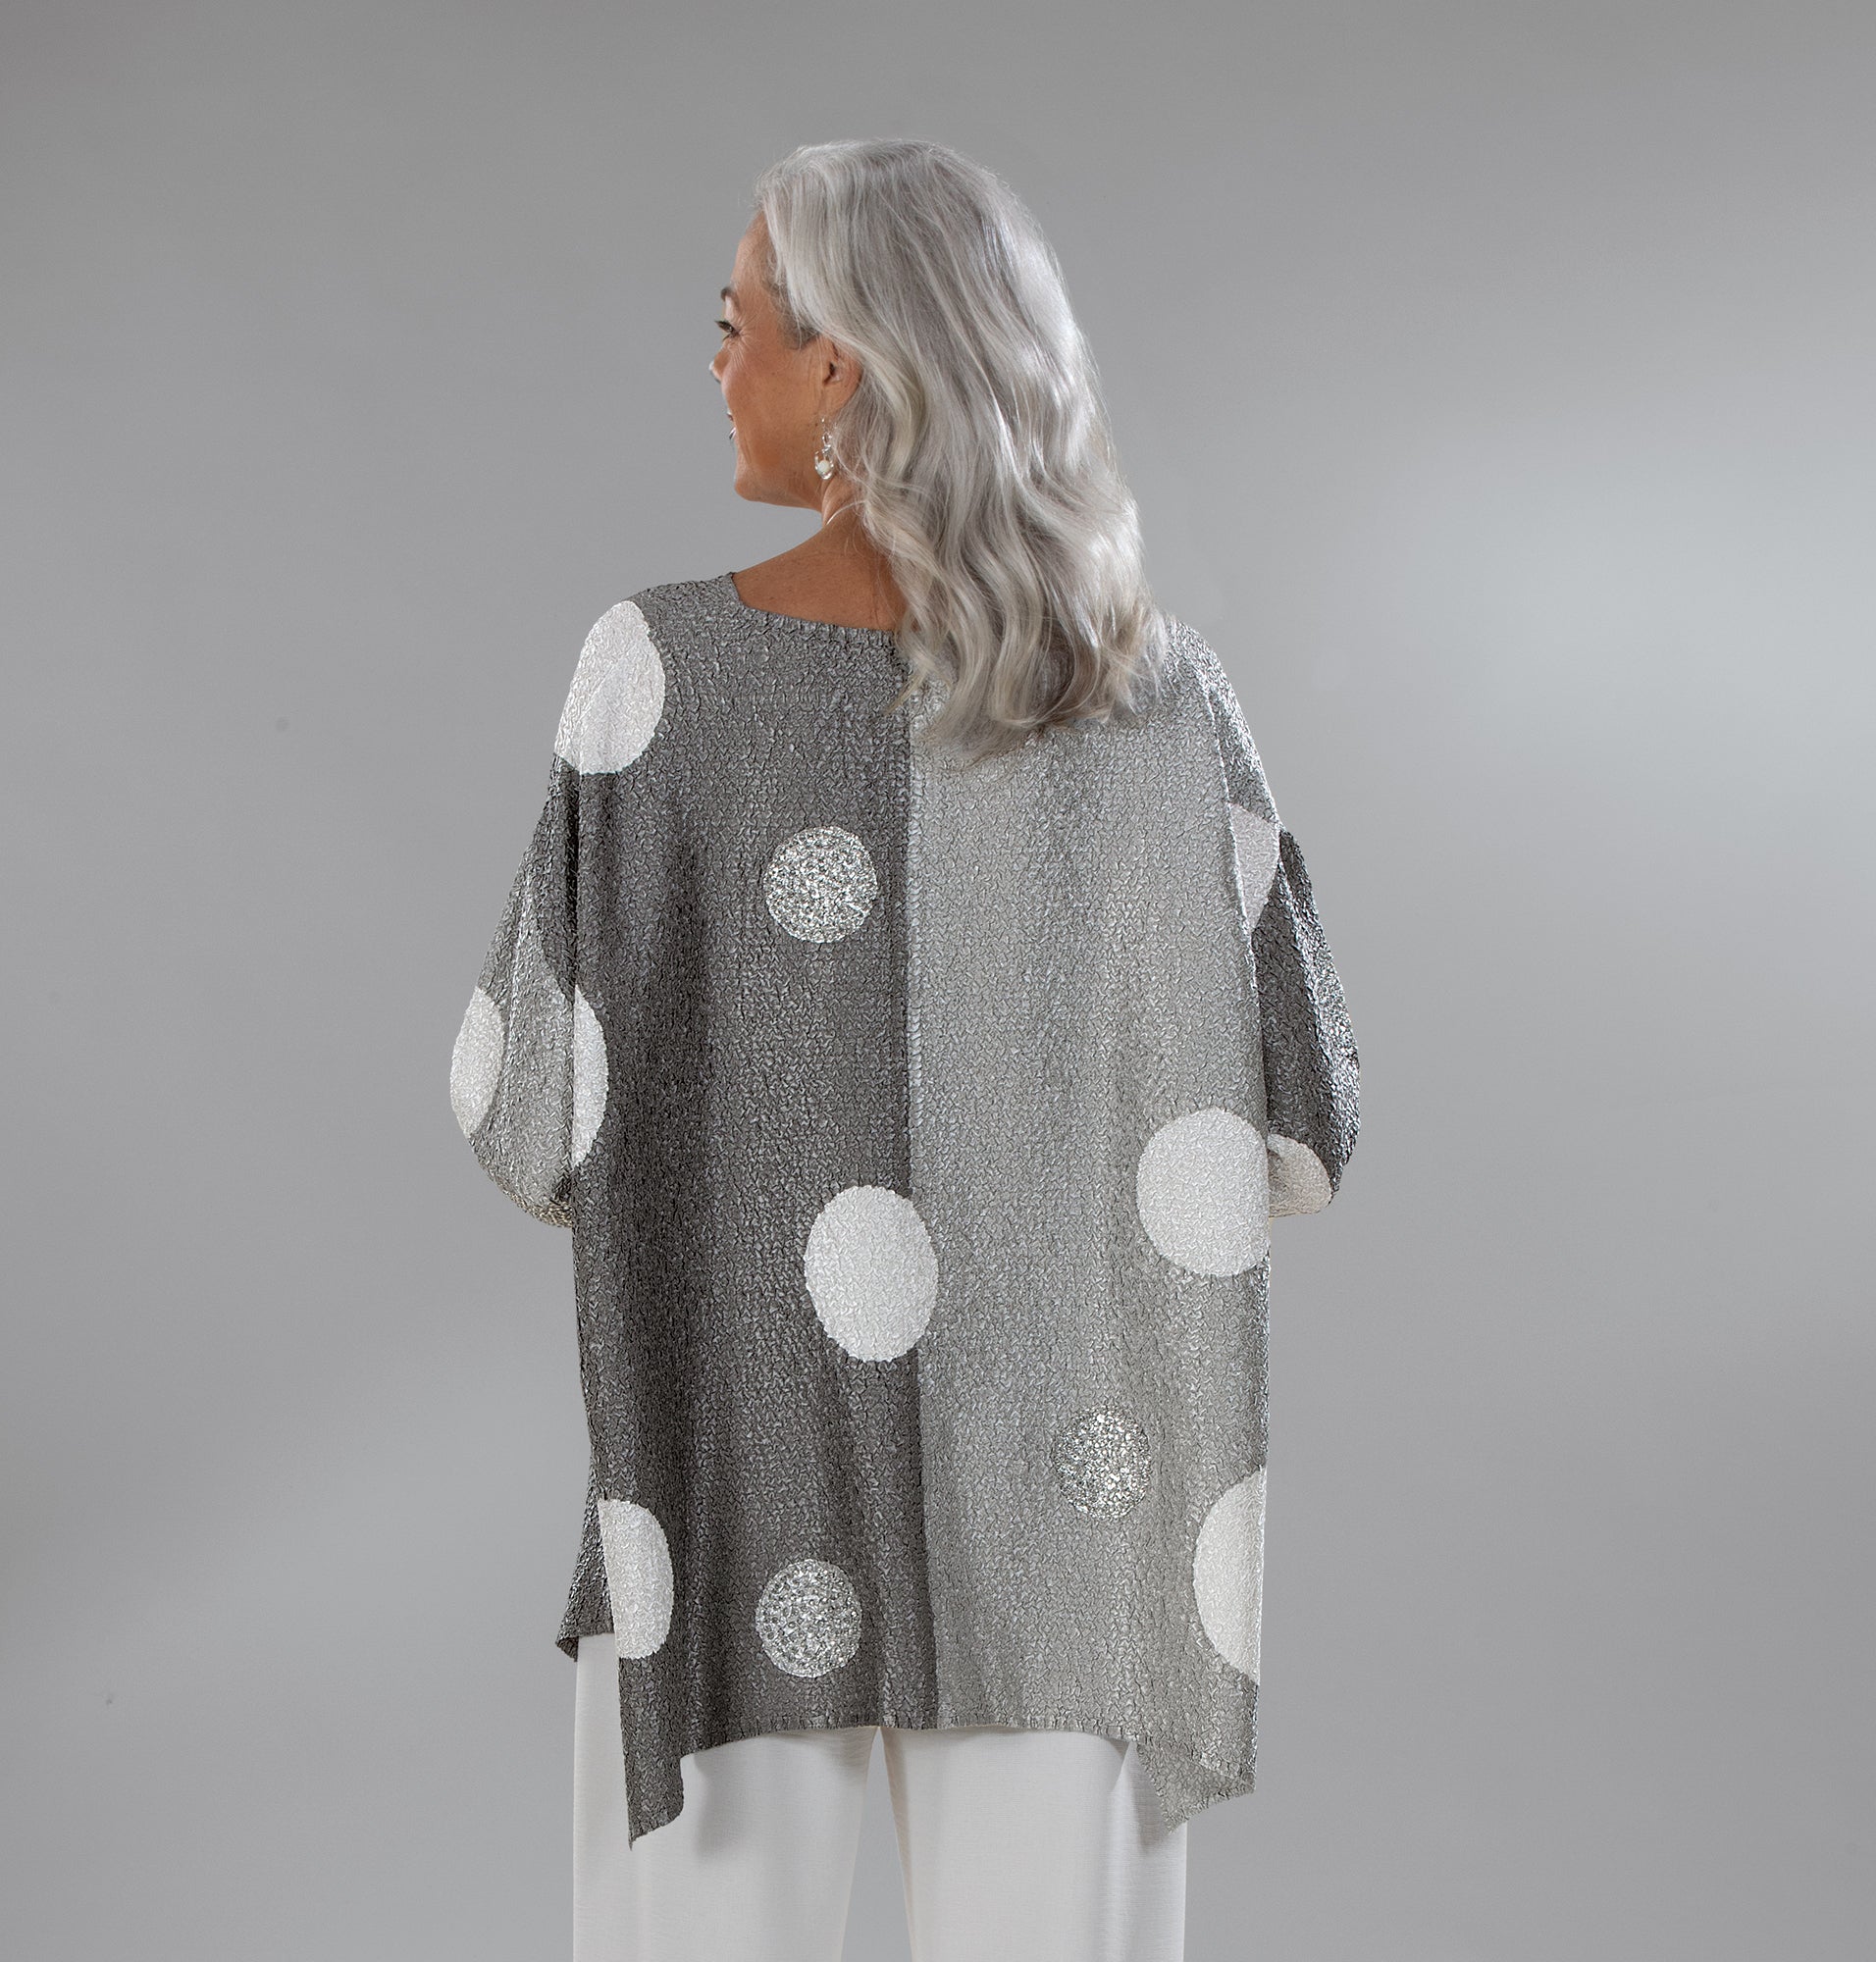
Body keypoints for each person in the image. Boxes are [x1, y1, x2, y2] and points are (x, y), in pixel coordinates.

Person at [449, 138, 1360, 1962]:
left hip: (729, 1477)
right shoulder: (1165, 706)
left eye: (740, 326)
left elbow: (528, 1112)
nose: (718, 364)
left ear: (843, 367)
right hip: (1076, 1498)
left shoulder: (656, 679)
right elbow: (1296, 1118)